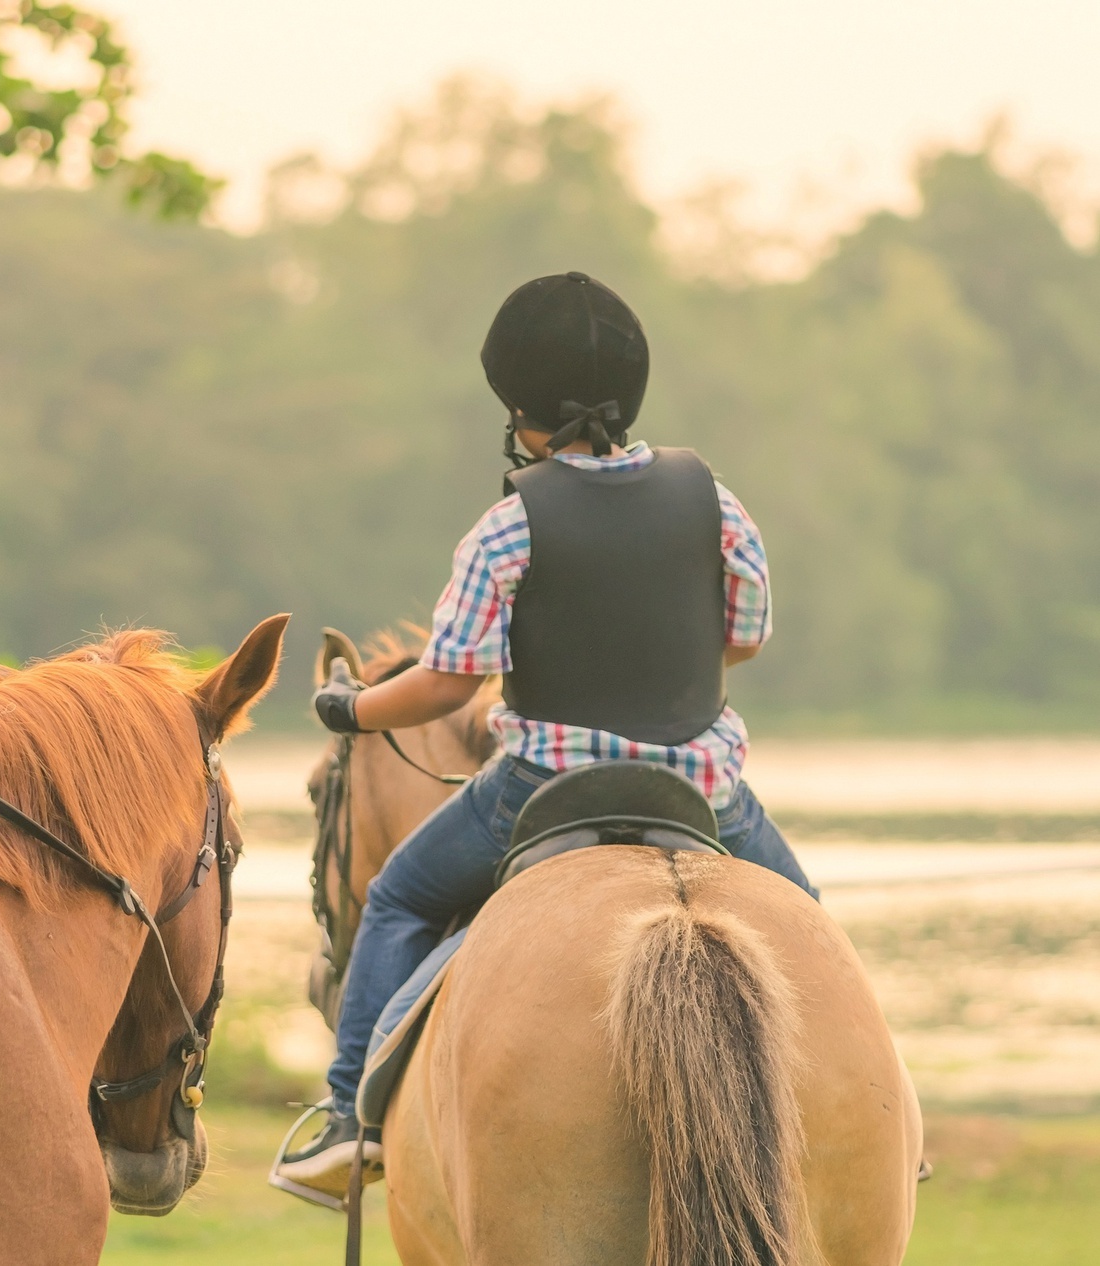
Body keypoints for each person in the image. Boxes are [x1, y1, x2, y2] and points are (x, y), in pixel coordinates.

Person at [274, 271, 818, 1195]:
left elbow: (449, 683)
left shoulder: (508, 525)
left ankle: (343, 1119)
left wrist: (352, 707)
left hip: (540, 789)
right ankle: (881, 1114)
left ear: (520, 410)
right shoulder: (714, 501)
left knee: (402, 898)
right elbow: (748, 635)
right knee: (810, 930)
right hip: (707, 793)